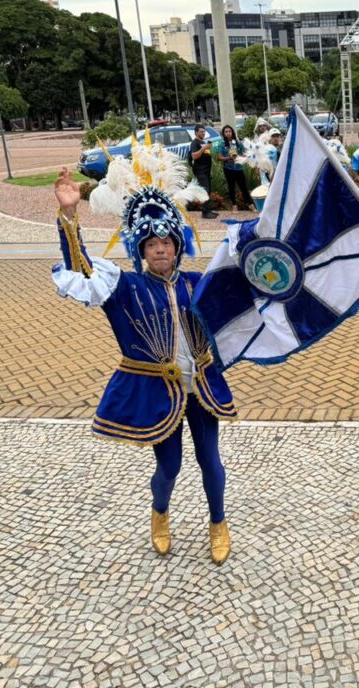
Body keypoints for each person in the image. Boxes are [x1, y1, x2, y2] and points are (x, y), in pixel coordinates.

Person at [50, 147, 237, 563]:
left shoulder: (196, 282)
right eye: (151, 244)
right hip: (157, 392)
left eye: (166, 243)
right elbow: (80, 268)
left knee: (211, 462)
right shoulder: (124, 288)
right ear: (139, 249)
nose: (160, 250)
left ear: (177, 245)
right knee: (169, 466)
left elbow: (237, 299)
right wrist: (69, 218)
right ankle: (160, 513)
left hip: (201, 386)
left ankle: (218, 523)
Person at [217, 125, 252, 211]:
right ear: (223, 134)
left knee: (243, 187)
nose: (228, 133)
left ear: (232, 132)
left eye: (230, 131)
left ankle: (251, 204)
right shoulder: (221, 144)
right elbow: (219, 157)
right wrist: (228, 158)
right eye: (226, 132)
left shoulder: (237, 143)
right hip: (228, 169)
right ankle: (234, 205)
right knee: (231, 187)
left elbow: (244, 153)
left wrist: (241, 156)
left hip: (239, 168)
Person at [189, 125, 218, 219]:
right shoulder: (194, 143)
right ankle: (205, 212)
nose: (203, 133)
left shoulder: (202, 142)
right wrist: (204, 148)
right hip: (200, 171)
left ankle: (208, 210)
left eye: (204, 131)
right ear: (196, 133)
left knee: (208, 190)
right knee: (205, 191)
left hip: (206, 171)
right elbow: (194, 156)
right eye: (201, 131)